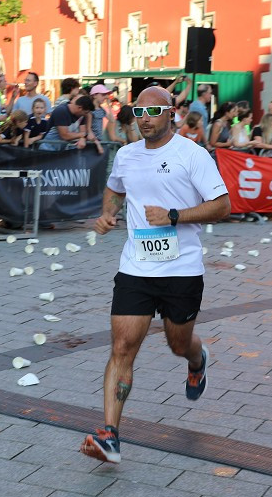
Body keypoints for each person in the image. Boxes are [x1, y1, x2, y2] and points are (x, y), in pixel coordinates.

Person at [80, 86, 231, 464]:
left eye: (153, 111)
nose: (145, 118)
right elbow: (115, 191)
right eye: (139, 111)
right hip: (136, 267)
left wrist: (175, 215)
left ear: (172, 113)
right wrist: (108, 214)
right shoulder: (128, 156)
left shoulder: (191, 155)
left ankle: (197, 361)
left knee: (177, 344)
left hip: (181, 270)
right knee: (122, 348)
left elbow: (222, 206)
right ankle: (110, 434)